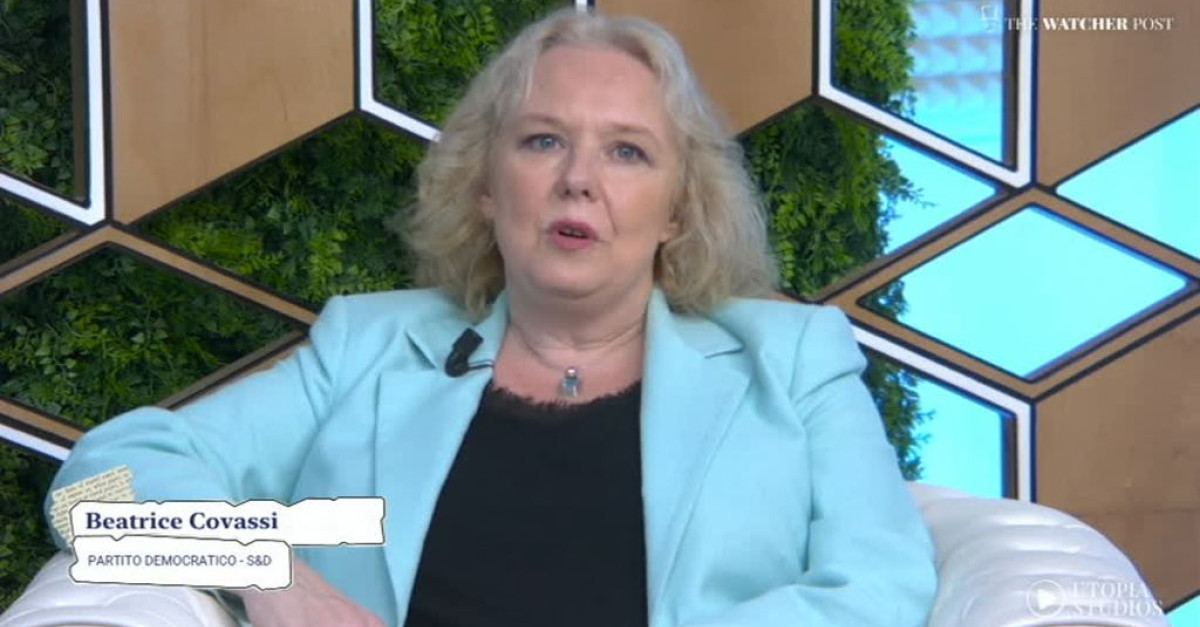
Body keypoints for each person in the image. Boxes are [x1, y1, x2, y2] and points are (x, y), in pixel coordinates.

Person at [43, 8, 936, 627]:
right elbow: (97, 492)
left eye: (627, 151)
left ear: (677, 209)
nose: (577, 179)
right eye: (543, 140)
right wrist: (269, 571)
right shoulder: (369, 348)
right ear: (484, 184)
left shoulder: (792, 361)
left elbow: (882, 583)